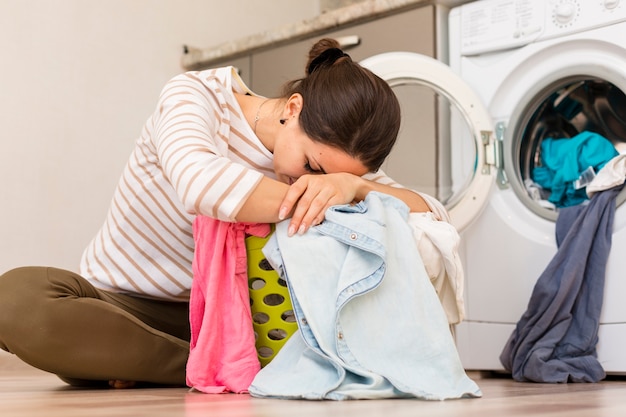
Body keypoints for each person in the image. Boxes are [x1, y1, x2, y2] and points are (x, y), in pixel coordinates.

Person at [0, 38, 447, 388]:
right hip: (124, 305)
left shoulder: (339, 163)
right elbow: (199, 184)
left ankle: (135, 361)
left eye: (327, 178)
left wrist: (352, 186)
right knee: (16, 301)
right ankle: (208, 368)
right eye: (311, 167)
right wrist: (340, 202)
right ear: (294, 109)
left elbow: (436, 215)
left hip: (236, 316)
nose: (309, 183)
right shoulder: (196, 95)